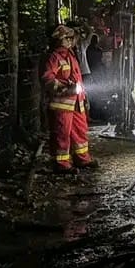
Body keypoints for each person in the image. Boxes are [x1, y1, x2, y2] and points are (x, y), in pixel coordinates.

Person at [39, 24, 97, 174]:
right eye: (68, 38)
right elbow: (47, 79)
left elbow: (78, 79)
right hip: (62, 104)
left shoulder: (71, 55)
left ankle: (82, 159)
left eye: (71, 38)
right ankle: (62, 164)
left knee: (80, 130)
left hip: (76, 101)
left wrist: (84, 97)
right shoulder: (54, 57)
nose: (71, 41)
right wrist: (65, 86)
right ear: (60, 40)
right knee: (61, 134)